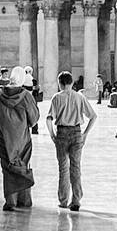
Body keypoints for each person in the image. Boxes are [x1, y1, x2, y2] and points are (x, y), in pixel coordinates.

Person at [0, 68, 39, 211]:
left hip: (3, 137)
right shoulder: (26, 96)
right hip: (21, 137)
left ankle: (11, 201)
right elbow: (34, 118)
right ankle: (25, 200)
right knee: (23, 164)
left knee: (7, 167)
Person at [46, 70, 97, 211]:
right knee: (76, 167)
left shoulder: (56, 97)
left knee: (63, 169)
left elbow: (49, 119)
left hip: (61, 133)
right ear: (72, 83)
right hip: (76, 133)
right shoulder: (79, 97)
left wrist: (52, 135)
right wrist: (85, 134)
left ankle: (63, 200)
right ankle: (76, 200)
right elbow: (93, 116)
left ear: (60, 83)